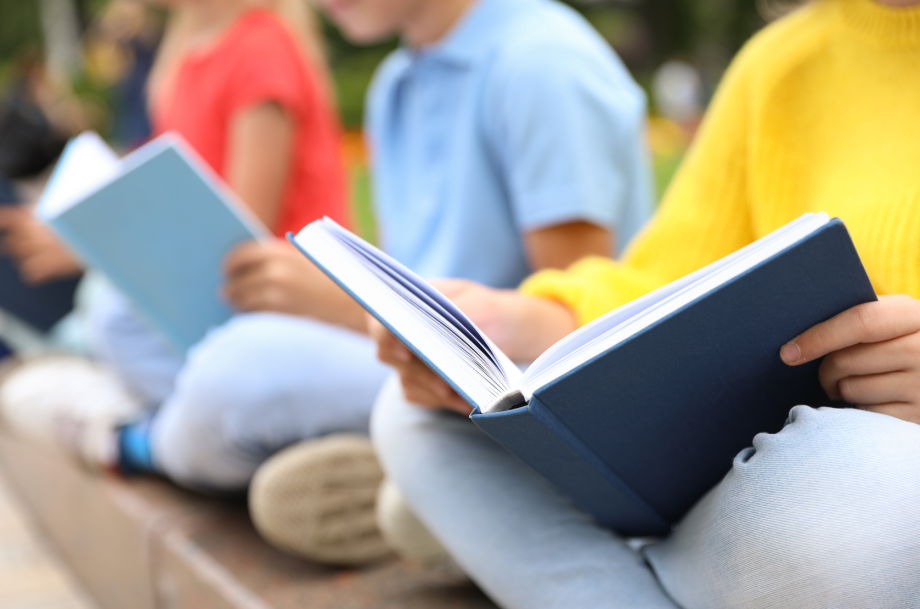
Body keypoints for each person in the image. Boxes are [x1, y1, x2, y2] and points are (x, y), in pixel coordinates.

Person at [1, 0, 654, 566]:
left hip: (503, 396)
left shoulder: (540, 63)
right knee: (124, 322)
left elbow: (570, 337)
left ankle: (133, 442)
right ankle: (391, 477)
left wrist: (341, 306)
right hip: (416, 374)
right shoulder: (398, 81)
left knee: (239, 364)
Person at [369, 0, 920, 606]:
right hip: (742, 472)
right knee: (413, 417)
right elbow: (664, 279)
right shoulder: (779, 62)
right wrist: (512, 322)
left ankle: (587, 562)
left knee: (872, 488)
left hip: (860, 489)